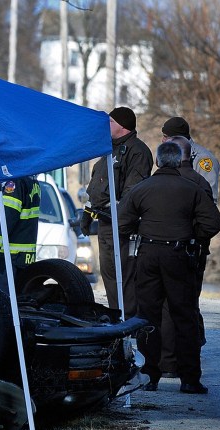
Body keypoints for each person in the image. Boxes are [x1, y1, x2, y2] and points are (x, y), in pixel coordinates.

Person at [118, 141, 220, 394]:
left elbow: (122, 223)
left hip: (148, 255)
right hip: (180, 254)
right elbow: (213, 223)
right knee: (184, 317)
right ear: (178, 162)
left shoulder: (142, 189)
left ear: (158, 162)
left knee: (148, 316)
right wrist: (191, 233)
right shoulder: (192, 189)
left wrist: (142, 230)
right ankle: (189, 379)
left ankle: (149, 375)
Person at [81, 106, 153, 317]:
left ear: (122, 126)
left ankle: (128, 318)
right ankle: (116, 315)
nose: (107, 126)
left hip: (121, 224)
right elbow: (96, 187)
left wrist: (120, 220)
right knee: (109, 273)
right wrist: (87, 212)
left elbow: (134, 191)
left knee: (125, 273)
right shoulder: (107, 150)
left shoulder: (137, 151)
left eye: (110, 122)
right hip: (104, 223)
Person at [158, 136, 214, 378]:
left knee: (165, 308)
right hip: (192, 252)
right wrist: (196, 239)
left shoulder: (156, 182)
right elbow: (212, 222)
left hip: (161, 251)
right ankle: (188, 368)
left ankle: (166, 363)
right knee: (188, 309)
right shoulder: (200, 182)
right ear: (189, 156)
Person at [0, 176, 40, 293]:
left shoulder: (14, 183)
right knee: (17, 301)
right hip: (23, 256)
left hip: (7, 256)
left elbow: (6, 219)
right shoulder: (32, 181)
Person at [161, 116, 220, 203]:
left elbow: (209, 198)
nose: (163, 140)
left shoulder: (203, 158)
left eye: (166, 137)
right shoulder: (171, 154)